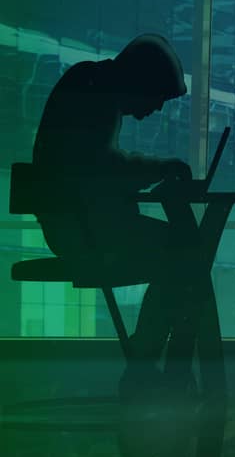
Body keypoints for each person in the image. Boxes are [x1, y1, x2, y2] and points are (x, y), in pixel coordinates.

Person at [31, 34, 205, 375]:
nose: (155, 108)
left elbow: (96, 167)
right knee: (183, 249)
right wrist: (160, 168)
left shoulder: (90, 84)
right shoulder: (96, 91)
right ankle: (145, 358)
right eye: (156, 97)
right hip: (84, 232)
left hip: (73, 226)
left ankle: (145, 355)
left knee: (181, 250)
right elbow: (104, 167)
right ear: (142, 81)